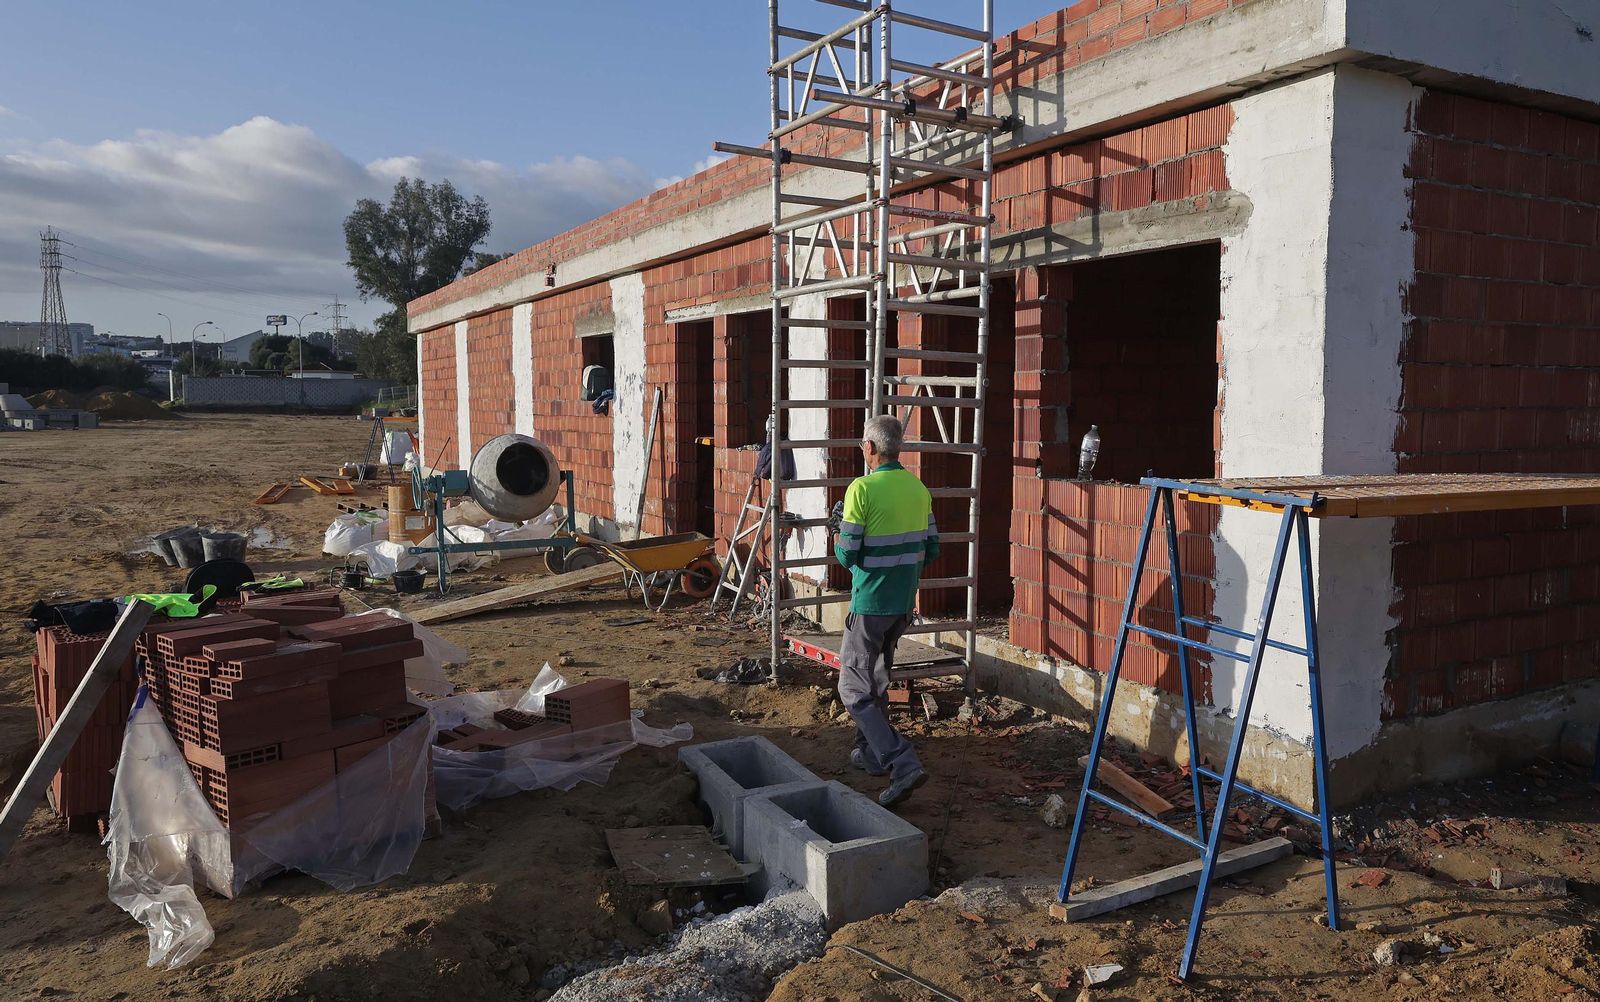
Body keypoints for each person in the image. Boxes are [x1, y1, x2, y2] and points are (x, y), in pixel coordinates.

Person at [832, 414, 939, 807]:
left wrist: (837, 532)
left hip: (870, 603)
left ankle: (901, 762)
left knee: (853, 688)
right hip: (901, 605)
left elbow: (847, 555)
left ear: (871, 449)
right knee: (876, 677)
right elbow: (932, 548)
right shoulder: (918, 488)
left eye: (863, 444)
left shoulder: (861, 489)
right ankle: (871, 753)